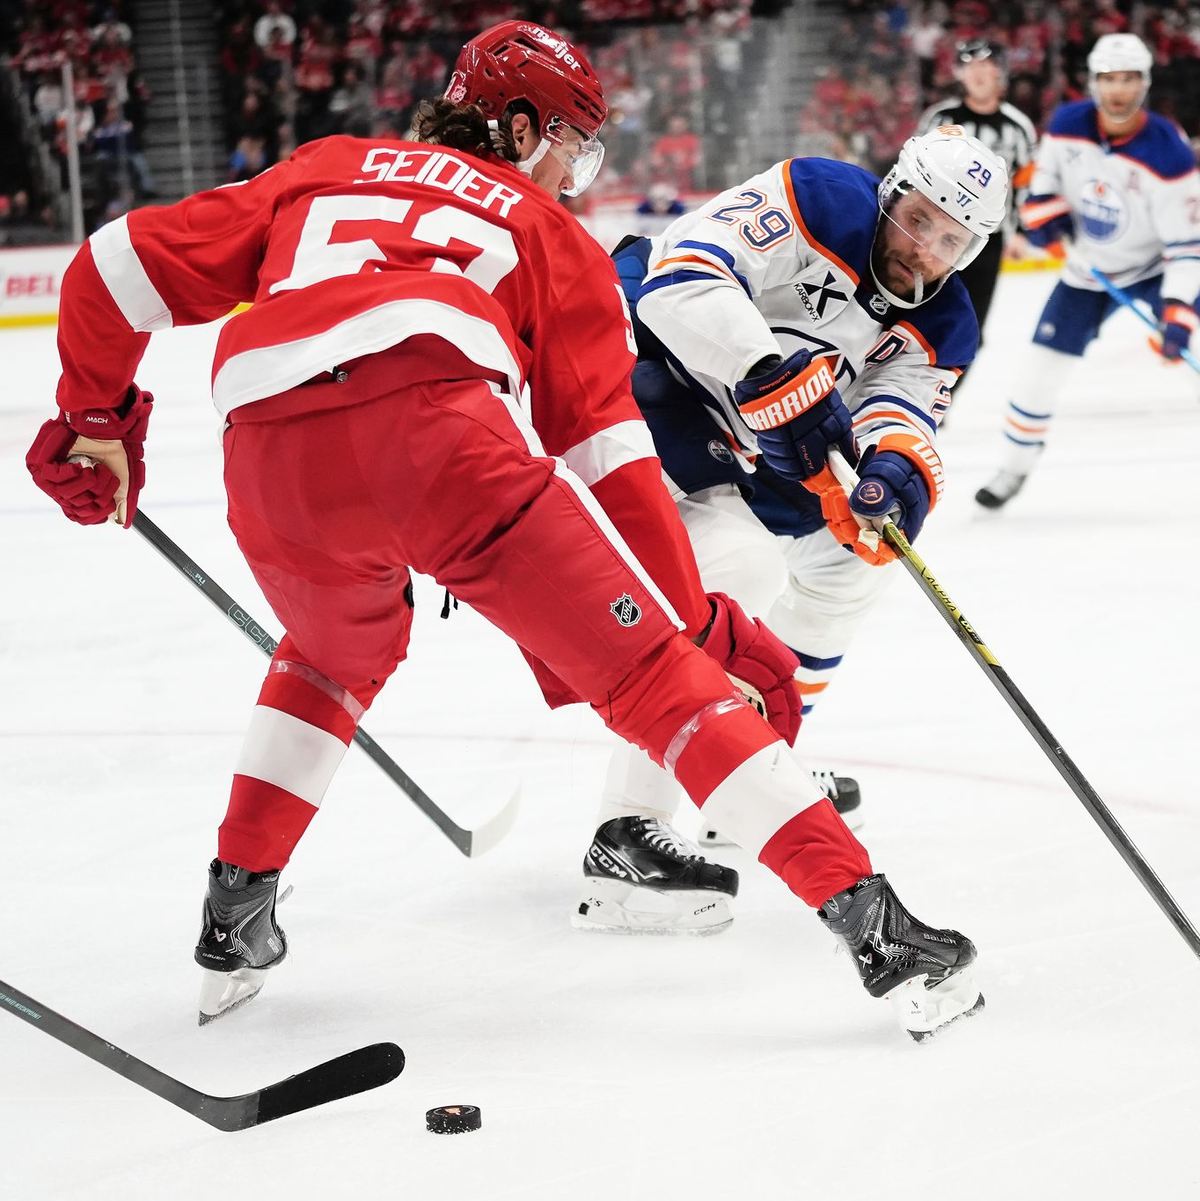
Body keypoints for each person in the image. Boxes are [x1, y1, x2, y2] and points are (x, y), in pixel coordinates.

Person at [25, 22, 981, 1042]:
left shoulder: (323, 166)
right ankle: (880, 933)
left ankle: (235, 910)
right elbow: (611, 461)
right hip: (439, 446)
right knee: (659, 680)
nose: (574, 172)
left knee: (330, 656)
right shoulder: (548, 230)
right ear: (519, 125)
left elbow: (111, 265)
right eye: (571, 143)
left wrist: (95, 422)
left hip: (265, 452)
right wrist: (693, 624)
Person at [576, 126, 1009, 936]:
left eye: (951, 240)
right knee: (733, 570)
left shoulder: (947, 323)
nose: (925, 251)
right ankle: (624, 836)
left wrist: (893, 470)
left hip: (766, 438)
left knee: (857, 559)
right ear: (890, 195)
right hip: (654, 379)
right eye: (918, 220)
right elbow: (679, 279)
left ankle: (747, 764)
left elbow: (899, 410)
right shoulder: (818, 196)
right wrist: (764, 374)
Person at [976, 33, 1200, 509]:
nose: (1118, 90)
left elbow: (1186, 248)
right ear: (1094, 83)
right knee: (1039, 372)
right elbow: (1044, 184)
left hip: (1156, 269)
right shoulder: (1067, 123)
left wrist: (1179, 311)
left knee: (1192, 346)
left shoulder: (1171, 155)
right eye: (1108, 79)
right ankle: (1014, 466)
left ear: (1144, 83)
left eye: (1129, 80)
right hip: (1088, 269)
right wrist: (1043, 212)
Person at [916, 39, 1036, 392]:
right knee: (917, 314)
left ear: (1001, 74)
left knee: (971, 330)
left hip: (989, 240)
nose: (979, 75)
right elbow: (916, 173)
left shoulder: (1018, 126)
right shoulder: (940, 119)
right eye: (971, 67)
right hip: (935, 237)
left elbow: (1027, 183)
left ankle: (939, 401)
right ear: (959, 74)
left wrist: (1022, 232)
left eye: (987, 67)